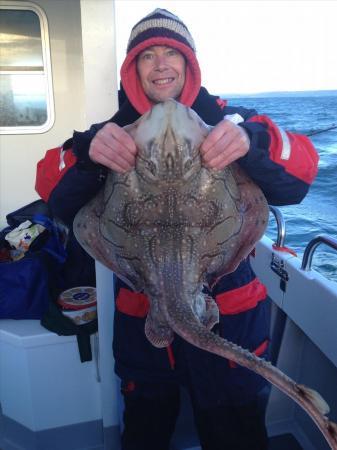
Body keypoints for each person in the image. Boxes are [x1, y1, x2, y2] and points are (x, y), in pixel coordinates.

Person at [36, 8, 319, 450]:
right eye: (148, 56)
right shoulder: (107, 134)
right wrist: (88, 153)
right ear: (134, 70)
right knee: (146, 434)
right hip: (141, 323)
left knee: (236, 435)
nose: (162, 64)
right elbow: (52, 193)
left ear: (189, 64)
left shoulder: (232, 122)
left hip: (228, 313)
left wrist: (252, 144)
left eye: (172, 52)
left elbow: (302, 174)